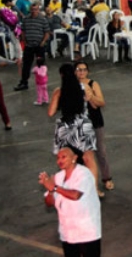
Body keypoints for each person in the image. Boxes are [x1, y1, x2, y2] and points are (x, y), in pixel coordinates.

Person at [48, 64, 103, 197]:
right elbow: (94, 104)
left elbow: (51, 113)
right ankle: (94, 189)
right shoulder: (84, 88)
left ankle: (69, 188)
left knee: (66, 159)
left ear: (61, 75)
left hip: (65, 127)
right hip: (82, 125)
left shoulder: (58, 91)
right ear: (74, 73)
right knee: (89, 158)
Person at [38, 147, 102, 257]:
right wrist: (50, 191)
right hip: (68, 233)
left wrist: (55, 188)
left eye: (64, 157)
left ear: (74, 158)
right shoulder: (58, 177)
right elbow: (49, 203)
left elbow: (75, 195)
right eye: (58, 158)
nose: (60, 160)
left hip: (86, 231)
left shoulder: (84, 174)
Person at [75, 61, 114, 192]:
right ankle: (86, 182)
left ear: (88, 71)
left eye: (84, 70)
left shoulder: (93, 84)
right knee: (83, 154)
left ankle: (106, 177)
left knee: (101, 152)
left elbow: (101, 102)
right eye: (79, 70)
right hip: (80, 124)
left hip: (95, 122)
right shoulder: (73, 86)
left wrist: (90, 96)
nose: (81, 72)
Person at [14, 3, 51, 91]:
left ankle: (42, 82)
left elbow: (47, 32)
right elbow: (22, 31)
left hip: (39, 46)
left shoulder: (43, 20)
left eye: (36, 9)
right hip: (29, 46)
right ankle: (24, 82)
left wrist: (43, 42)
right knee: (26, 65)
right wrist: (24, 41)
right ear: (30, 10)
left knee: (41, 65)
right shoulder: (26, 19)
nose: (34, 11)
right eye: (32, 10)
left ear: (38, 10)